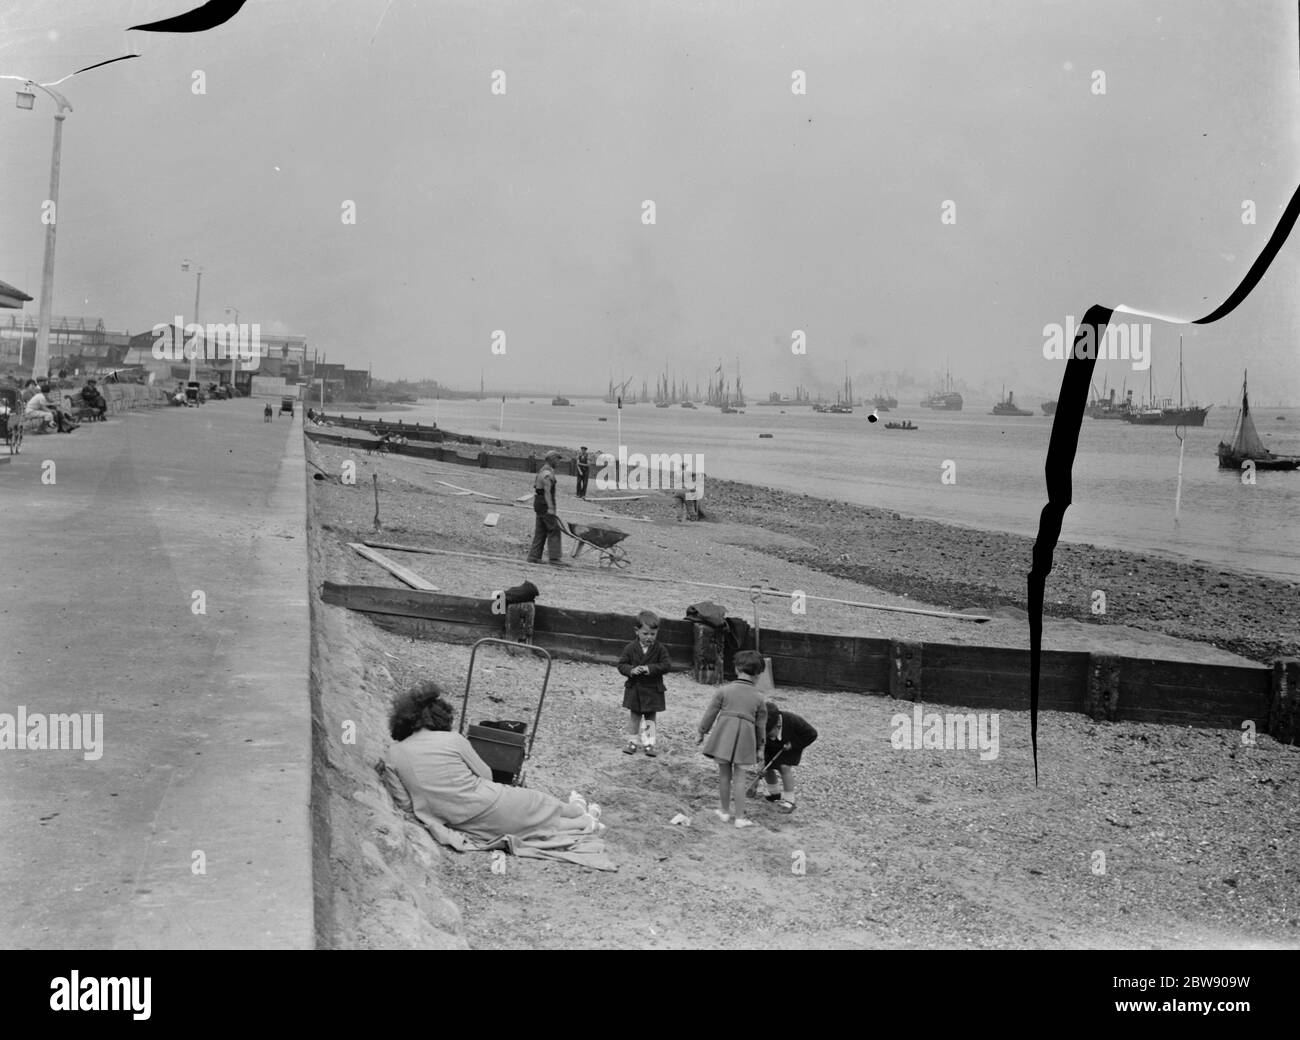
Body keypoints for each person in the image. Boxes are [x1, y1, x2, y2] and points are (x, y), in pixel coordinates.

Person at [387, 681, 602, 841]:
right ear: (439, 716)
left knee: (535, 824)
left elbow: (406, 804)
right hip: (490, 802)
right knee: (536, 804)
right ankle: (582, 818)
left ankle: (581, 815)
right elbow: (487, 775)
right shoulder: (452, 739)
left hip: (463, 822)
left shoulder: (393, 754)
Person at [697, 650, 768, 828]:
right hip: (745, 741)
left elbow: (711, 713)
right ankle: (739, 817)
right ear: (758, 675)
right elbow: (761, 726)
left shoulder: (724, 690)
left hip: (724, 738)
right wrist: (760, 747)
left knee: (724, 775)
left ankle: (723, 811)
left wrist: (702, 731)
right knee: (740, 778)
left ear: (736, 669)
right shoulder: (759, 698)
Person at [616, 611, 672, 757]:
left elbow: (666, 665)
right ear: (637, 631)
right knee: (634, 716)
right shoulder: (630, 648)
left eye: (653, 634)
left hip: (653, 690)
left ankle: (649, 744)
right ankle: (632, 742)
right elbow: (621, 665)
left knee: (650, 718)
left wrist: (650, 668)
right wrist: (631, 670)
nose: (649, 637)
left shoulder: (660, 649)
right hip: (635, 689)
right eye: (645, 634)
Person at [760, 701, 818, 814]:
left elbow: (812, 734)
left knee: (784, 767)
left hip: (790, 745)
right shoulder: (761, 726)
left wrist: (794, 744)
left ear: (778, 725)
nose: (767, 735)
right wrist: (760, 761)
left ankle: (789, 801)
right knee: (766, 766)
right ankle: (774, 793)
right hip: (769, 746)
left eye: (769, 732)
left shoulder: (793, 720)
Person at [526, 450, 565, 564]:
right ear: (552, 460)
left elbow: (536, 486)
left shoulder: (542, 471)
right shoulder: (547, 474)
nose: (559, 462)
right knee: (554, 529)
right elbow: (547, 491)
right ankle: (554, 558)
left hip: (538, 503)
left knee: (541, 530)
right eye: (558, 460)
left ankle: (534, 556)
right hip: (545, 503)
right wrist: (551, 508)